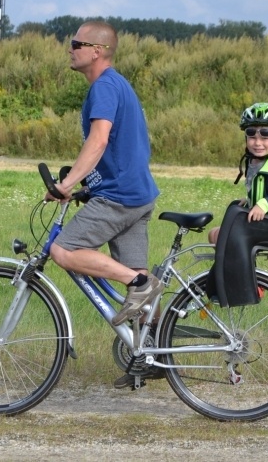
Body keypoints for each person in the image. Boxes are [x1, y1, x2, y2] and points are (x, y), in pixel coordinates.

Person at [45, 21, 162, 336]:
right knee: (136, 273)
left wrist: (66, 185)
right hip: (136, 195)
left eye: (76, 44)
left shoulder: (105, 87)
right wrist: (87, 187)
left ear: (97, 51)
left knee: (62, 250)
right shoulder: (116, 84)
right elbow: (118, 149)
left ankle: (140, 284)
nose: (70, 49)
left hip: (119, 197)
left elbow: (99, 140)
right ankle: (150, 350)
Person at [208, 102, 268, 245]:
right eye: (251, 135)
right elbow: (265, 190)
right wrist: (251, 200)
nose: (257, 143)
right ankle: (233, 260)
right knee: (214, 234)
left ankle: (235, 260)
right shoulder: (254, 160)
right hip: (260, 221)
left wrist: (264, 204)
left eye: (265, 135)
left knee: (219, 235)